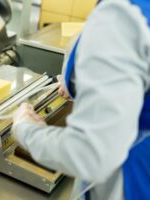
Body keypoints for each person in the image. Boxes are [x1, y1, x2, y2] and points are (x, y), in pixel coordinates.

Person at [12, 0, 150, 199]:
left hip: (132, 179)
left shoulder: (119, 19)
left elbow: (90, 155)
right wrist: (83, 80)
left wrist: (25, 130)